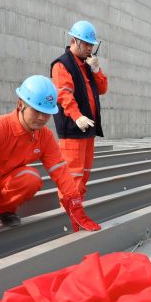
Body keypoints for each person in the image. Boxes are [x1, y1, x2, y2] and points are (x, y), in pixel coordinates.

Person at [0, 75, 101, 253]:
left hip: (4, 180)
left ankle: (2, 211)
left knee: (31, 178)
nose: (42, 118)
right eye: (36, 111)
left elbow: (60, 170)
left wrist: (75, 204)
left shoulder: (44, 136)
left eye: (47, 113)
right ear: (21, 105)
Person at [51, 20, 108, 195]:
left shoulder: (87, 65)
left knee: (83, 177)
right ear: (74, 41)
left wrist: (97, 70)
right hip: (73, 131)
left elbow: (103, 89)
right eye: (86, 44)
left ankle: (77, 213)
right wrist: (77, 116)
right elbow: (64, 95)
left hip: (87, 130)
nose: (90, 48)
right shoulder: (63, 65)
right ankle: (69, 217)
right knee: (72, 178)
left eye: (92, 44)